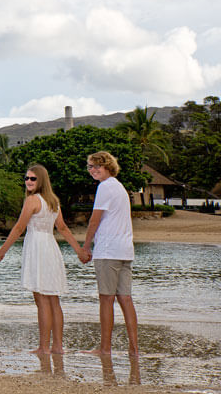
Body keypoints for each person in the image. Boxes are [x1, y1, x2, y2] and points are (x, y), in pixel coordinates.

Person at [0, 164, 89, 354]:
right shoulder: (54, 202)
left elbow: (19, 228)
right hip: (50, 247)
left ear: (41, 180)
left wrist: (2, 251)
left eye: (32, 179)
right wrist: (79, 251)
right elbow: (62, 228)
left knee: (42, 299)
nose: (28, 181)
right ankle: (57, 346)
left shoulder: (32, 200)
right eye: (26, 178)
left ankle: (44, 347)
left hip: (38, 248)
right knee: (53, 300)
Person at [82, 151, 139, 356]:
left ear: (108, 166)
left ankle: (104, 348)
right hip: (124, 251)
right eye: (90, 166)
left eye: (98, 166)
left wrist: (86, 246)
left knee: (106, 299)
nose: (93, 170)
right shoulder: (120, 187)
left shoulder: (105, 187)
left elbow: (94, 221)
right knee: (125, 299)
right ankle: (134, 349)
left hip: (108, 251)